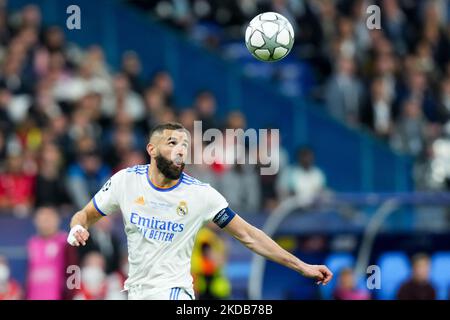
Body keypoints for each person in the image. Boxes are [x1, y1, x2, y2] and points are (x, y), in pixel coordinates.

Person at [67, 122, 333, 300]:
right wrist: (77, 227)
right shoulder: (126, 181)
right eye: (172, 143)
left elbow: (249, 235)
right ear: (151, 149)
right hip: (136, 291)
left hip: (174, 293)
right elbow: (85, 215)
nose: (180, 150)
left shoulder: (200, 194)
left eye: (184, 145)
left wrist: (302, 266)